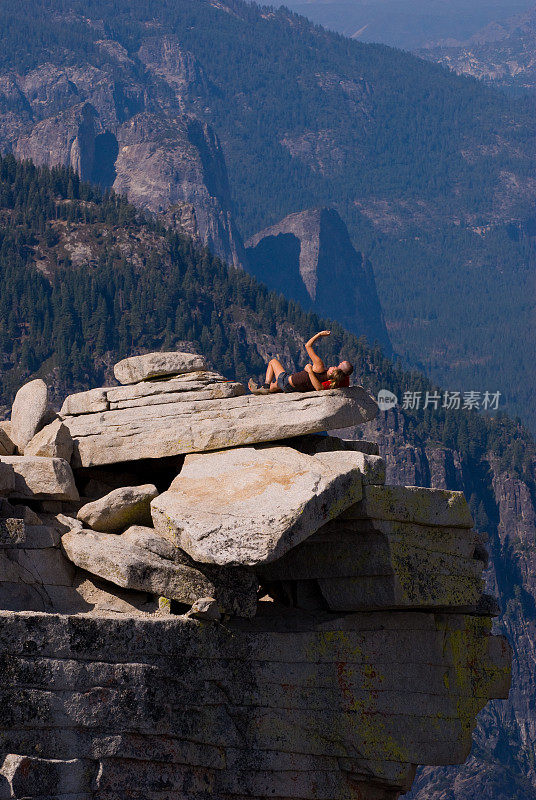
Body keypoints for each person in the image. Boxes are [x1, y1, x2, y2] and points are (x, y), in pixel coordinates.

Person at [248, 331, 354, 394]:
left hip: (287, 381)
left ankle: (265, 386)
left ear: (333, 372)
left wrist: (319, 334)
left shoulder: (319, 366)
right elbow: (344, 373)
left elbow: (307, 345)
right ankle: (260, 389)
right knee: (275, 386)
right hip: (293, 388)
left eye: (336, 366)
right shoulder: (339, 380)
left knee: (273, 362)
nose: (334, 366)